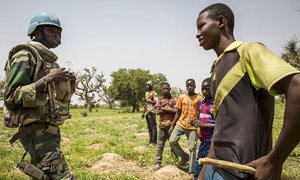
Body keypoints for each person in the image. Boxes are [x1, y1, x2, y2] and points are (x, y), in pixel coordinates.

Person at [196, 3, 300, 180]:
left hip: (242, 172)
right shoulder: (216, 69)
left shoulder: (247, 51)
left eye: (201, 26)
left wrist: (275, 159)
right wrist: (206, 168)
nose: (197, 33)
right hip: (216, 167)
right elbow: (221, 124)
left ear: (221, 22)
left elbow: (297, 86)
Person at [3, 12, 76, 179]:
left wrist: (70, 83)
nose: (57, 34)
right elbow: (10, 97)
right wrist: (47, 79)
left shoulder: (49, 61)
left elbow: (51, 98)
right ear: (36, 32)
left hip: (50, 130)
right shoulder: (24, 54)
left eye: (59, 31)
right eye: (51, 30)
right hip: (35, 131)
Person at [169, 79, 203, 175]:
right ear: (186, 86)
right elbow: (178, 112)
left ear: (195, 86)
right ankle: (184, 157)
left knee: (192, 148)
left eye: (191, 85)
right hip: (181, 123)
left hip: (192, 127)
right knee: (172, 140)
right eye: (188, 85)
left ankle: (191, 171)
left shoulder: (199, 98)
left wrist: (200, 126)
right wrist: (172, 125)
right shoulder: (181, 97)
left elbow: (201, 112)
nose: (189, 87)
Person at [191, 78, 215, 180]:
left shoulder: (216, 104)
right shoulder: (201, 103)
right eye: (202, 89)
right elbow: (201, 117)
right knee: (199, 165)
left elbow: (221, 125)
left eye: (207, 89)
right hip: (203, 141)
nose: (204, 91)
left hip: (213, 143)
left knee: (209, 167)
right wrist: (196, 122)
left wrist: (204, 125)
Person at [153, 82, 177, 170]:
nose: (165, 90)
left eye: (167, 88)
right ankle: (157, 163)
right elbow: (156, 111)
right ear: (162, 90)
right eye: (164, 88)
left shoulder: (174, 99)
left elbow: (176, 111)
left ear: (170, 89)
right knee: (160, 146)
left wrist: (162, 108)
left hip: (172, 127)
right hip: (162, 126)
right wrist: (169, 110)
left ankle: (176, 162)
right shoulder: (159, 100)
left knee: (174, 146)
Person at [141, 80, 158, 146]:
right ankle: (150, 141)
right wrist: (143, 113)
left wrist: (148, 100)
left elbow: (156, 102)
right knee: (149, 127)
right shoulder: (146, 93)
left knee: (153, 127)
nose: (147, 86)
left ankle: (154, 142)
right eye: (146, 85)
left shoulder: (154, 93)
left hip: (152, 111)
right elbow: (145, 103)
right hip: (147, 112)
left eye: (148, 85)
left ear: (151, 85)